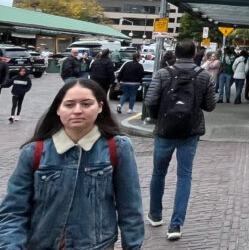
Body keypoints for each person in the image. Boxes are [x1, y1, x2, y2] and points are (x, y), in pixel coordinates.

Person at [0, 78, 144, 250]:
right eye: (69, 104)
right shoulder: (34, 152)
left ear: (100, 106)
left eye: (86, 104)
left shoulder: (117, 148)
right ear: (58, 109)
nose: (77, 111)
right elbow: (13, 211)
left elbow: (130, 209)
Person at [144, 39, 216, 241]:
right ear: (194, 54)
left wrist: (158, 117)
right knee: (184, 176)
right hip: (190, 131)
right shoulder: (203, 76)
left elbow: (150, 100)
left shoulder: (163, 74)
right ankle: (175, 225)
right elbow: (210, 106)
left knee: (158, 172)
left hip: (165, 131)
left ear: (175, 53)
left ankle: (155, 214)